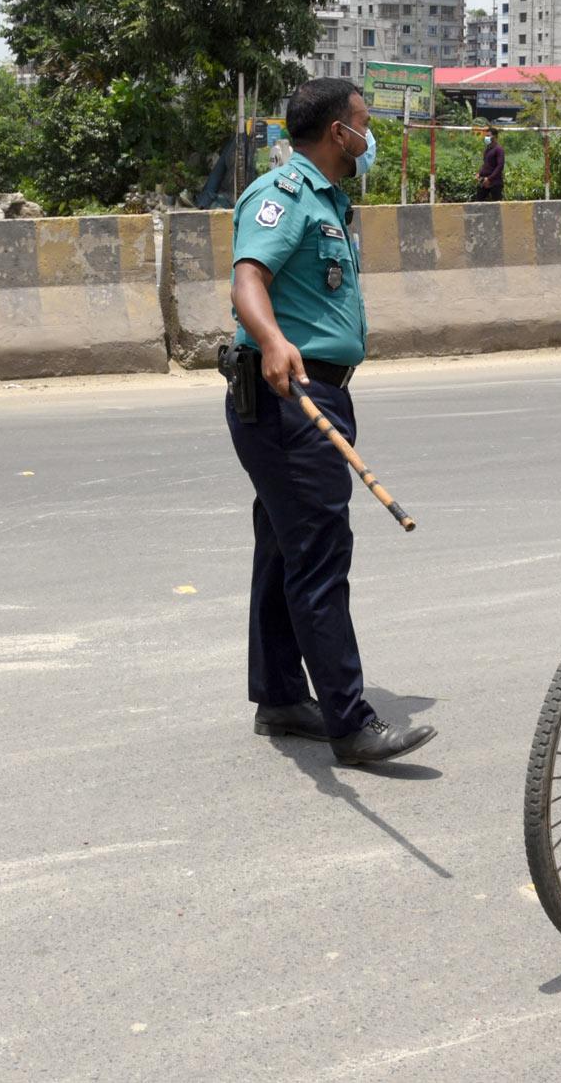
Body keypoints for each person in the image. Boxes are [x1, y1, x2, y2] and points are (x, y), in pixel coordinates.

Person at [223, 77, 435, 767]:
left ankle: (282, 695)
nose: (367, 136)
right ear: (336, 132)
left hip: (315, 394)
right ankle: (351, 724)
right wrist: (275, 341)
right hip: (292, 394)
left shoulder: (326, 200)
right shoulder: (282, 194)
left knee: (284, 548)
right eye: (362, 124)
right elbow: (249, 276)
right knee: (318, 555)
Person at [472, 123, 505, 202]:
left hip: (495, 182)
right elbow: (485, 164)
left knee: (497, 205)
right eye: (486, 136)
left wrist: (489, 179)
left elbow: (500, 166)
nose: (486, 138)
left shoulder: (499, 149)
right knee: (478, 203)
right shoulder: (487, 150)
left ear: (495, 137)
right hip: (484, 181)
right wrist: (479, 173)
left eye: (489, 136)